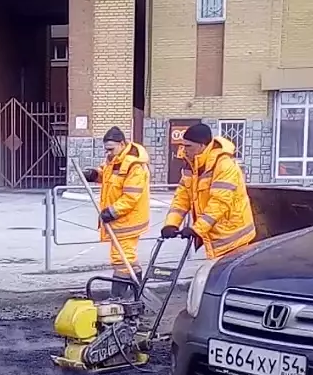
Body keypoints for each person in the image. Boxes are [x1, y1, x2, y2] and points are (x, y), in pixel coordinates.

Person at [161, 122, 255, 261]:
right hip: (214, 235)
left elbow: (219, 203)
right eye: (183, 145)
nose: (184, 150)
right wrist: (171, 223)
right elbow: (181, 198)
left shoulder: (224, 165)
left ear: (202, 146)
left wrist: (197, 229)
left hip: (234, 236)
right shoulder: (191, 165)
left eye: (188, 146)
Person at [84, 126, 151, 293]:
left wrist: (111, 212)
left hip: (128, 220)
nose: (108, 152)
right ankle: (137, 291)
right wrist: (94, 175)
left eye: (111, 149)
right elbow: (106, 176)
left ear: (122, 144)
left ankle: (118, 296)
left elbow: (130, 197)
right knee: (128, 258)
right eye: (106, 149)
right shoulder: (113, 159)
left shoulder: (134, 166)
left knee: (120, 258)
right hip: (119, 219)